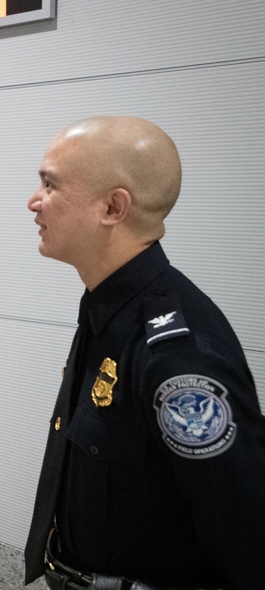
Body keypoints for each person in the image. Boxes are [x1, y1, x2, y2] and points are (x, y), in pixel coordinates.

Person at [23, 116, 265, 588]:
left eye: (49, 185)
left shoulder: (178, 356)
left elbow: (246, 533)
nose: (33, 202)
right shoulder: (109, 308)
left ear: (113, 207)